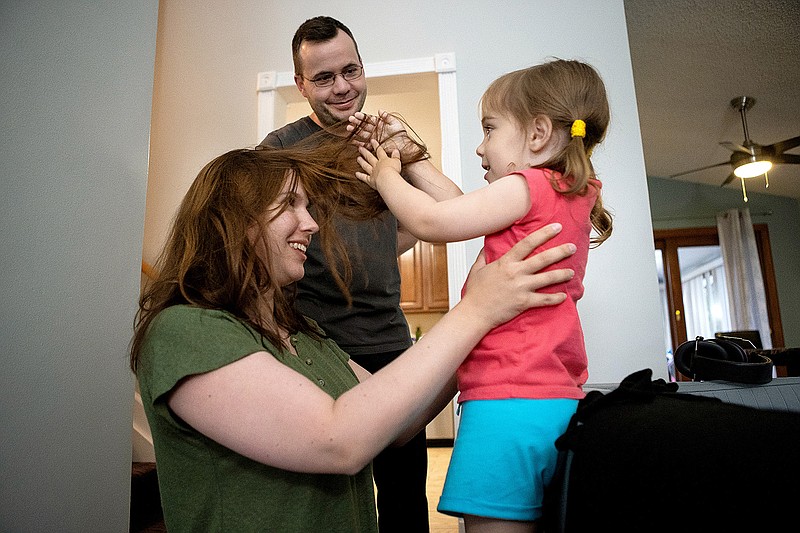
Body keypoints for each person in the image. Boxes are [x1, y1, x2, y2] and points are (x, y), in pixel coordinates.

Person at [129, 144, 578, 532]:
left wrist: (491, 320)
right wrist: (475, 311)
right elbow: (338, 438)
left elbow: (400, 424)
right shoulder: (186, 331)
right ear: (237, 218)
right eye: (290, 205)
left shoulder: (307, 336)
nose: (311, 225)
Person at [354, 59, 614, 532]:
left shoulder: (528, 184)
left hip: (503, 407)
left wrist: (385, 175)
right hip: (560, 401)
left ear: (537, 134)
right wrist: (416, 160)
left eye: (490, 129)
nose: (480, 146)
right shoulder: (576, 194)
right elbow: (457, 206)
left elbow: (435, 222)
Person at [259, 15, 461, 532]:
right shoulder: (279, 150)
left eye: (351, 71)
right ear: (300, 83)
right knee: (332, 503)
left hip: (392, 345)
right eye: (324, 78)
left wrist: (406, 152)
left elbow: (454, 216)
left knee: (404, 502)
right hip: (318, 346)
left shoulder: (385, 143)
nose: (343, 87)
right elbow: (261, 246)